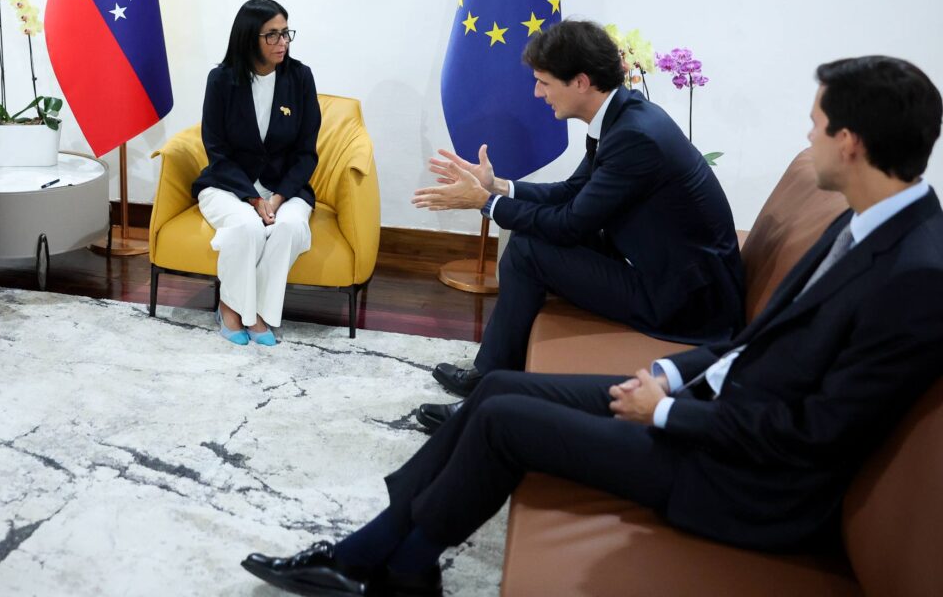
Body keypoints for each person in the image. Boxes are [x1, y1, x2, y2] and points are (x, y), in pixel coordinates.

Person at [243, 55, 943, 597]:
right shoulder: (863, 224)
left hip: (744, 480)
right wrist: (670, 373)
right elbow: (760, 341)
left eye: (817, 124)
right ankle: (390, 561)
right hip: (713, 407)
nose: (807, 135)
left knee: (502, 422)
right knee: (496, 392)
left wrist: (665, 411)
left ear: (849, 142)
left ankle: (381, 563)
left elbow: (814, 433)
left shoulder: (914, 276)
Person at [412, 20, 743, 430]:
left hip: (684, 302)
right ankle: (491, 374)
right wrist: (498, 187)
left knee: (531, 248)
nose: (537, 93)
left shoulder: (634, 136)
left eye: (544, 82)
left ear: (581, 82)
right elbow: (573, 192)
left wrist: (487, 204)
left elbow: (570, 224)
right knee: (528, 245)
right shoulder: (620, 117)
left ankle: (487, 394)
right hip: (662, 271)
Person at [191, 0, 321, 345]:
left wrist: (277, 199)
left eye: (286, 33)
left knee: (289, 227)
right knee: (246, 226)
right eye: (273, 36)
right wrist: (251, 198)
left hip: (284, 188)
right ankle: (230, 307)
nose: (283, 43)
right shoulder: (220, 81)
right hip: (228, 185)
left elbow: (306, 153)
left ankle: (260, 313)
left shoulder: (300, 78)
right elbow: (216, 149)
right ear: (250, 38)